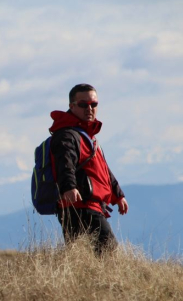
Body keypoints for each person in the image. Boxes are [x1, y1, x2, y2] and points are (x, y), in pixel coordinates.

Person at [49, 84, 129, 255]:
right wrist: (69, 188)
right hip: (80, 205)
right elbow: (64, 163)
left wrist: (118, 195)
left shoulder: (88, 137)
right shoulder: (67, 135)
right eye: (83, 104)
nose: (90, 109)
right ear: (72, 106)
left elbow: (102, 170)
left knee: (81, 257)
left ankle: (88, 282)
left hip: (88, 205)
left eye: (94, 104)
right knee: (109, 251)